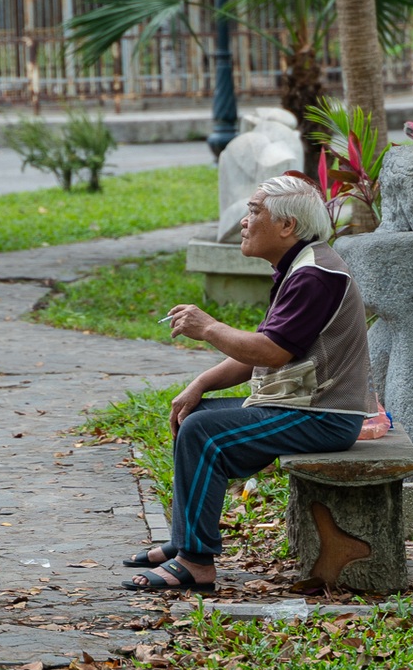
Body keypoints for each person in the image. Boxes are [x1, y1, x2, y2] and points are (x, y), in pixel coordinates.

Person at [123, 174, 372, 593]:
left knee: (206, 433)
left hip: (325, 417)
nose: (243, 220)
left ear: (287, 226)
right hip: (303, 407)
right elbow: (260, 349)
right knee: (195, 416)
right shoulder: (300, 266)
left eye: (254, 211)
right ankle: (186, 543)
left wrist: (208, 326)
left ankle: (197, 563)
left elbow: (270, 352)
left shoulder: (315, 276)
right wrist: (200, 384)